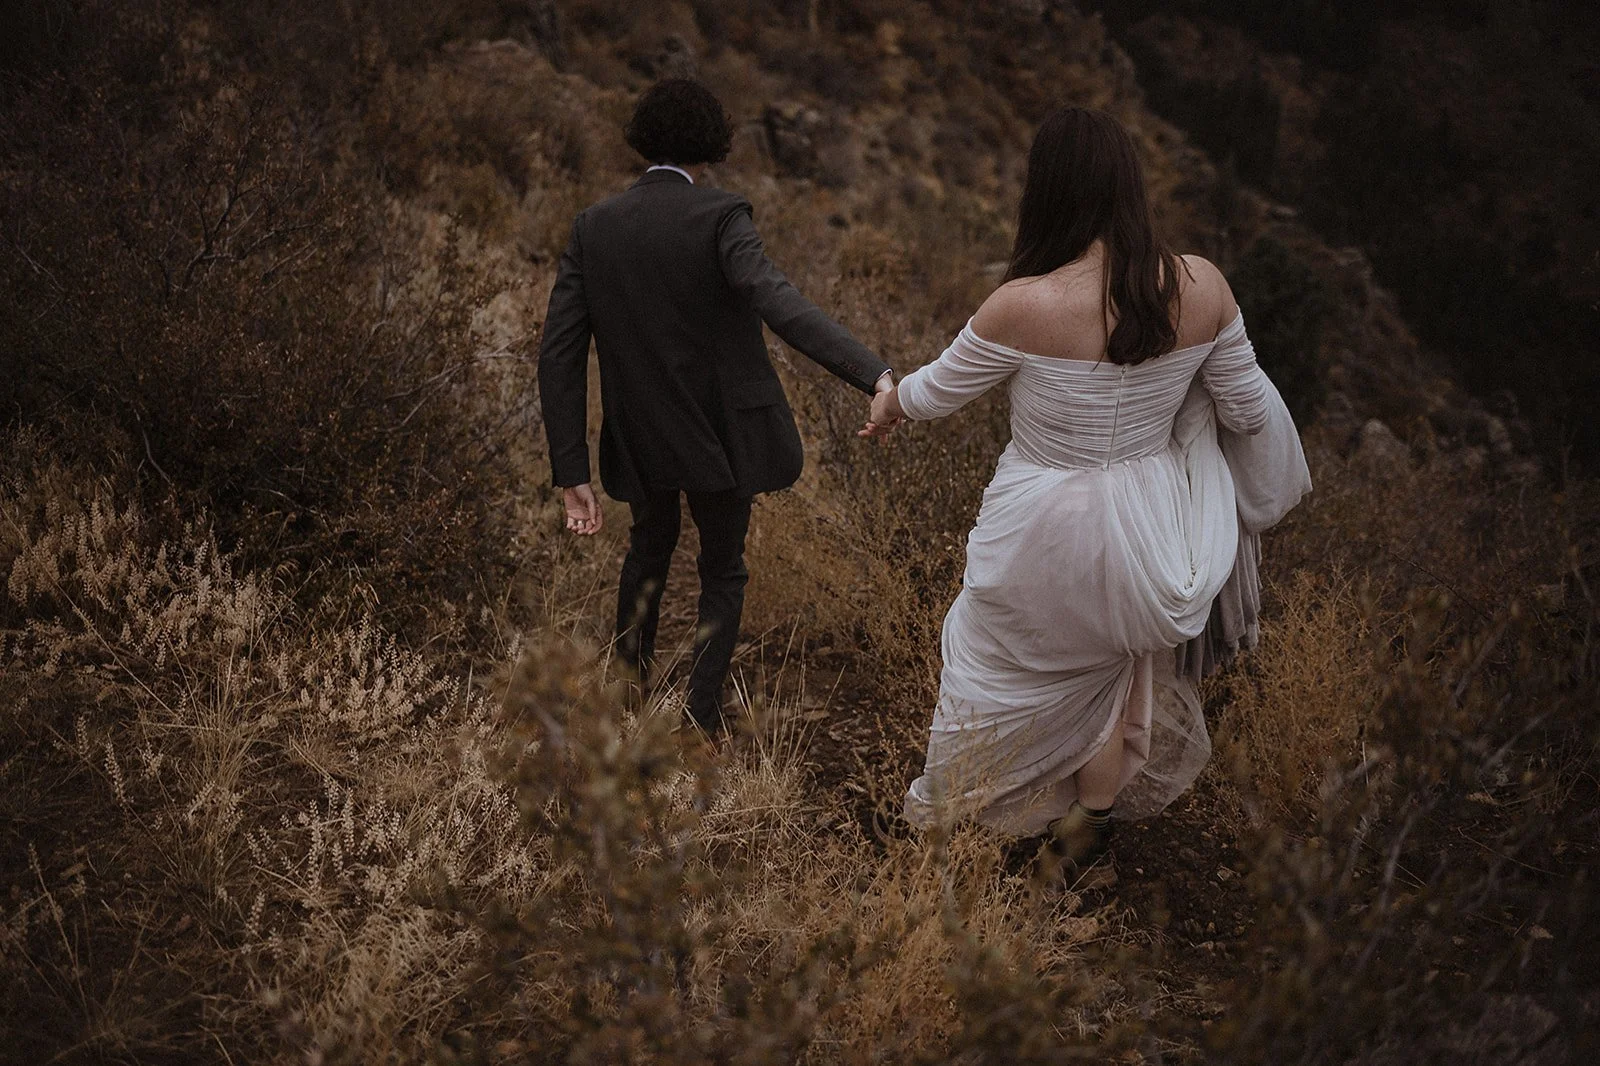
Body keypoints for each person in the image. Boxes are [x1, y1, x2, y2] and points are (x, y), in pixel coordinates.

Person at [864, 107, 1311, 869]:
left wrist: (887, 399)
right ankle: (1085, 836)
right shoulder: (1201, 287)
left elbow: (932, 396)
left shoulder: (1023, 305)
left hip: (1040, 522)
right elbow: (1245, 406)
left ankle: (936, 824)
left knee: (989, 668)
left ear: (1049, 190)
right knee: (1115, 677)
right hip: (1150, 531)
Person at [539, 79, 894, 735]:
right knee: (722, 571)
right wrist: (872, 373)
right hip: (720, 436)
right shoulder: (723, 215)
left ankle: (627, 699)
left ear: (643, 139)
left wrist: (572, 473)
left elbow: (557, 353)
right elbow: (780, 303)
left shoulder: (595, 228)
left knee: (648, 550)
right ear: (712, 145)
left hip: (641, 432)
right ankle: (699, 721)